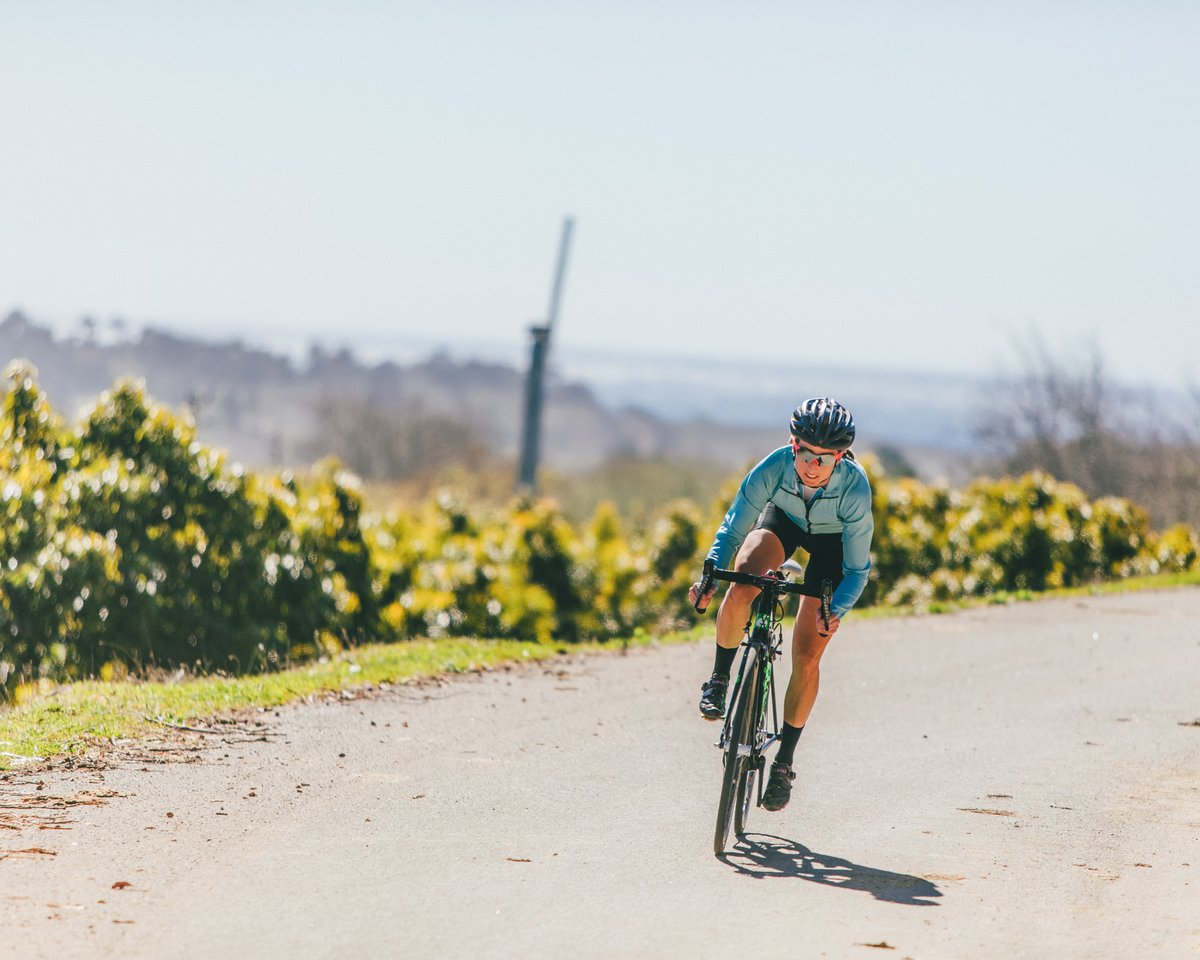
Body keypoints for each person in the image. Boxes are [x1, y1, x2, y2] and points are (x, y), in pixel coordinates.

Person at [688, 397, 873, 812]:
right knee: (743, 579)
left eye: (825, 458)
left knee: (808, 653)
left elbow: (858, 570)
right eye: (806, 453)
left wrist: (835, 611)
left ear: (841, 457)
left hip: (832, 544)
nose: (813, 465)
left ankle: (784, 763)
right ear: (793, 445)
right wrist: (709, 576)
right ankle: (719, 679)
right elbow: (734, 526)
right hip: (783, 521)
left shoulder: (855, 489)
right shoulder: (772, 468)